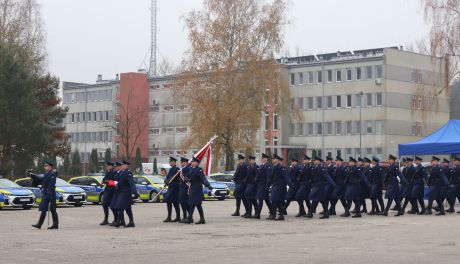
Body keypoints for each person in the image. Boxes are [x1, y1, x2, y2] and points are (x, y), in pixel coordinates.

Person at [31, 161, 59, 229]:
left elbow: (51, 185)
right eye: (44, 166)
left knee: (48, 209)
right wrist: (31, 175)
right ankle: (55, 224)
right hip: (46, 193)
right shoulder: (46, 174)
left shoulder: (52, 174)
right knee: (52, 209)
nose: (45, 167)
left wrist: (49, 193)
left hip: (50, 194)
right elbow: (40, 179)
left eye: (46, 165)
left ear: (50, 167)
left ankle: (39, 224)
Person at [185, 157, 212, 224]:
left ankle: (190, 218)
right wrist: (188, 179)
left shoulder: (199, 169)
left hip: (197, 189)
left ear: (196, 163)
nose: (191, 163)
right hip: (192, 188)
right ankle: (201, 219)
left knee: (194, 204)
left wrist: (208, 185)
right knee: (196, 204)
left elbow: (203, 178)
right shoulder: (192, 169)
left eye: (193, 162)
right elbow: (192, 178)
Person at [112, 160, 138, 227]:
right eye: (122, 165)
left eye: (123, 165)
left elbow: (131, 183)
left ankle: (118, 221)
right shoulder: (122, 172)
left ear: (126, 166)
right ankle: (131, 222)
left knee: (120, 207)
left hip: (126, 192)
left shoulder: (128, 173)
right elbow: (119, 181)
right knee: (127, 208)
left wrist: (134, 192)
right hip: (121, 191)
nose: (122, 166)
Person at [267, 154, 293, 221]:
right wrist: (268, 185)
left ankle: (273, 215)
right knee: (277, 201)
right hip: (275, 185)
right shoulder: (274, 167)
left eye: (274, 159)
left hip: (279, 186)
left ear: (277, 160)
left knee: (274, 199)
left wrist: (291, 185)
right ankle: (281, 215)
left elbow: (286, 177)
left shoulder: (281, 167)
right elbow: (271, 178)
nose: (273, 160)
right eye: (272, 159)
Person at [253, 153, 272, 219]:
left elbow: (268, 178)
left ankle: (258, 214)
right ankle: (272, 212)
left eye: (263, 158)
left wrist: (267, 186)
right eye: (262, 158)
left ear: (266, 159)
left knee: (260, 199)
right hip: (260, 185)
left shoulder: (268, 166)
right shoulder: (261, 166)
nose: (262, 159)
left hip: (264, 186)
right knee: (267, 200)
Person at [163, 157, 181, 222]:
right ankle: (169, 217)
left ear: (173, 162)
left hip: (175, 188)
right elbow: (167, 177)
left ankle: (178, 216)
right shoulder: (171, 169)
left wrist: (169, 180)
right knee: (168, 202)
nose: (169, 163)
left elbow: (175, 177)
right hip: (170, 188)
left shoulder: (177, 169)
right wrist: (166, 181)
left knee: (175, 203)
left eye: (170, 161)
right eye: (169, 161)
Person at [100, 161, 117, 225]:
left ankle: (116, 219)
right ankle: (106, 219)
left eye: (107, 166)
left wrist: (107, 182)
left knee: (112, 206)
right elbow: (104, 179)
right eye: (106, 166)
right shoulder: (107, 172)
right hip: (107, 190)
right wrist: (102, 182)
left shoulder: (114, 173)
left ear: (111, 166)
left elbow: (115, 182)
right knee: (104, 205)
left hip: (112, 191)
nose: (106, 167)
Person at [178, 157, 191, 222]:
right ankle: (185, 216)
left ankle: (189, 217)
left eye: (181, 162)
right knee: (182, 203)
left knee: (185, 203)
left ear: (185, 162)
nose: (181, 164)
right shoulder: (183, 169)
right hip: (182, 187)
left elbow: (188, 177)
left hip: (185, 187)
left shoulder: (187, 168)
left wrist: (184, 179)